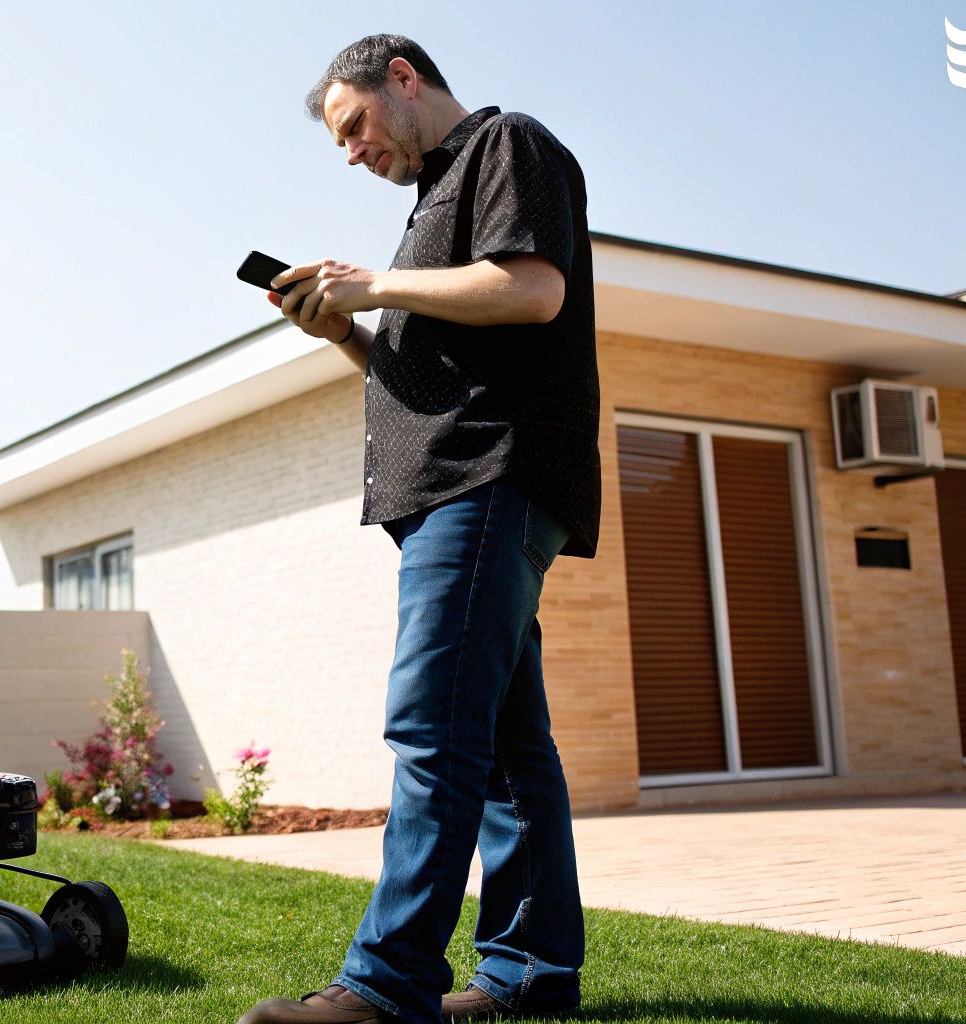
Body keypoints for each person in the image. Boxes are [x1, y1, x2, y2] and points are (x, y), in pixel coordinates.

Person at [238, 34, 601, 1024]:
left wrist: (376, 288)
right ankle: (531, 974)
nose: (351, 152)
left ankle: (385, 986)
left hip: (486, 486)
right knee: (501, 748)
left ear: (399, 79)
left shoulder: (504, 146)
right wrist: (346, 330)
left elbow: (533, 290)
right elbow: (426, 375)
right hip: (459, 493)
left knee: (433, 727)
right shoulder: (424, 215)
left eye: (352, 127)